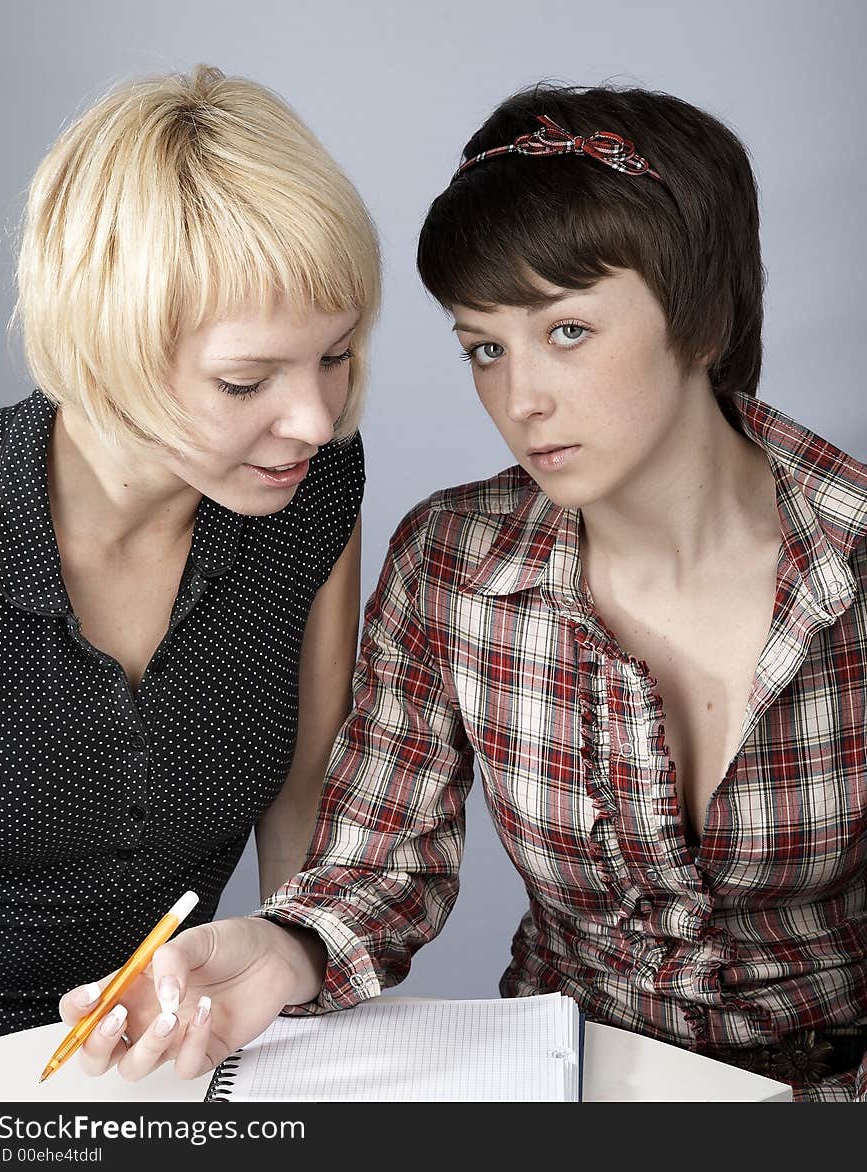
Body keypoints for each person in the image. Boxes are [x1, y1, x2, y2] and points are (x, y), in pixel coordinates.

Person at [61, 83, 866, 1103]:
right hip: (568, 1089)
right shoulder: (452, 561)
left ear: (701, 316)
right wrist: (280, 947)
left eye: (566, 331)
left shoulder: (852, 562)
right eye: (484, 345)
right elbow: (376, 862)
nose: (518, 399)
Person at [0, 63, 380, 1040]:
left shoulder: (310, 490)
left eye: (334, 354)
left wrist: (292, 1024)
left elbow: (305, 818)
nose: (316, 417)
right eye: (248, 381)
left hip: (177, 1058)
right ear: (104, 344)